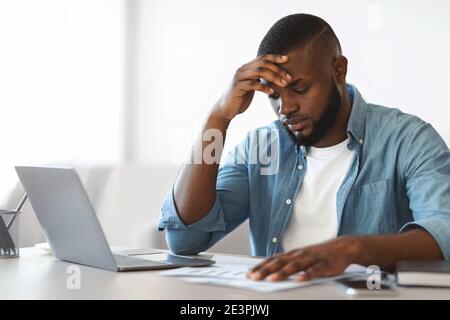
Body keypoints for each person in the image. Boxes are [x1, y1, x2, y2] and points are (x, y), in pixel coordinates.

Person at [158, 13, 450, 281]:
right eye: (273, 95)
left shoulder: (407, 139)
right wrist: (218, 117)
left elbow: (445, 233)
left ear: (339, 70)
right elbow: (185, 240)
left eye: (300, 89)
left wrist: (352, 249)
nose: (285, 108)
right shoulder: (261, 148)